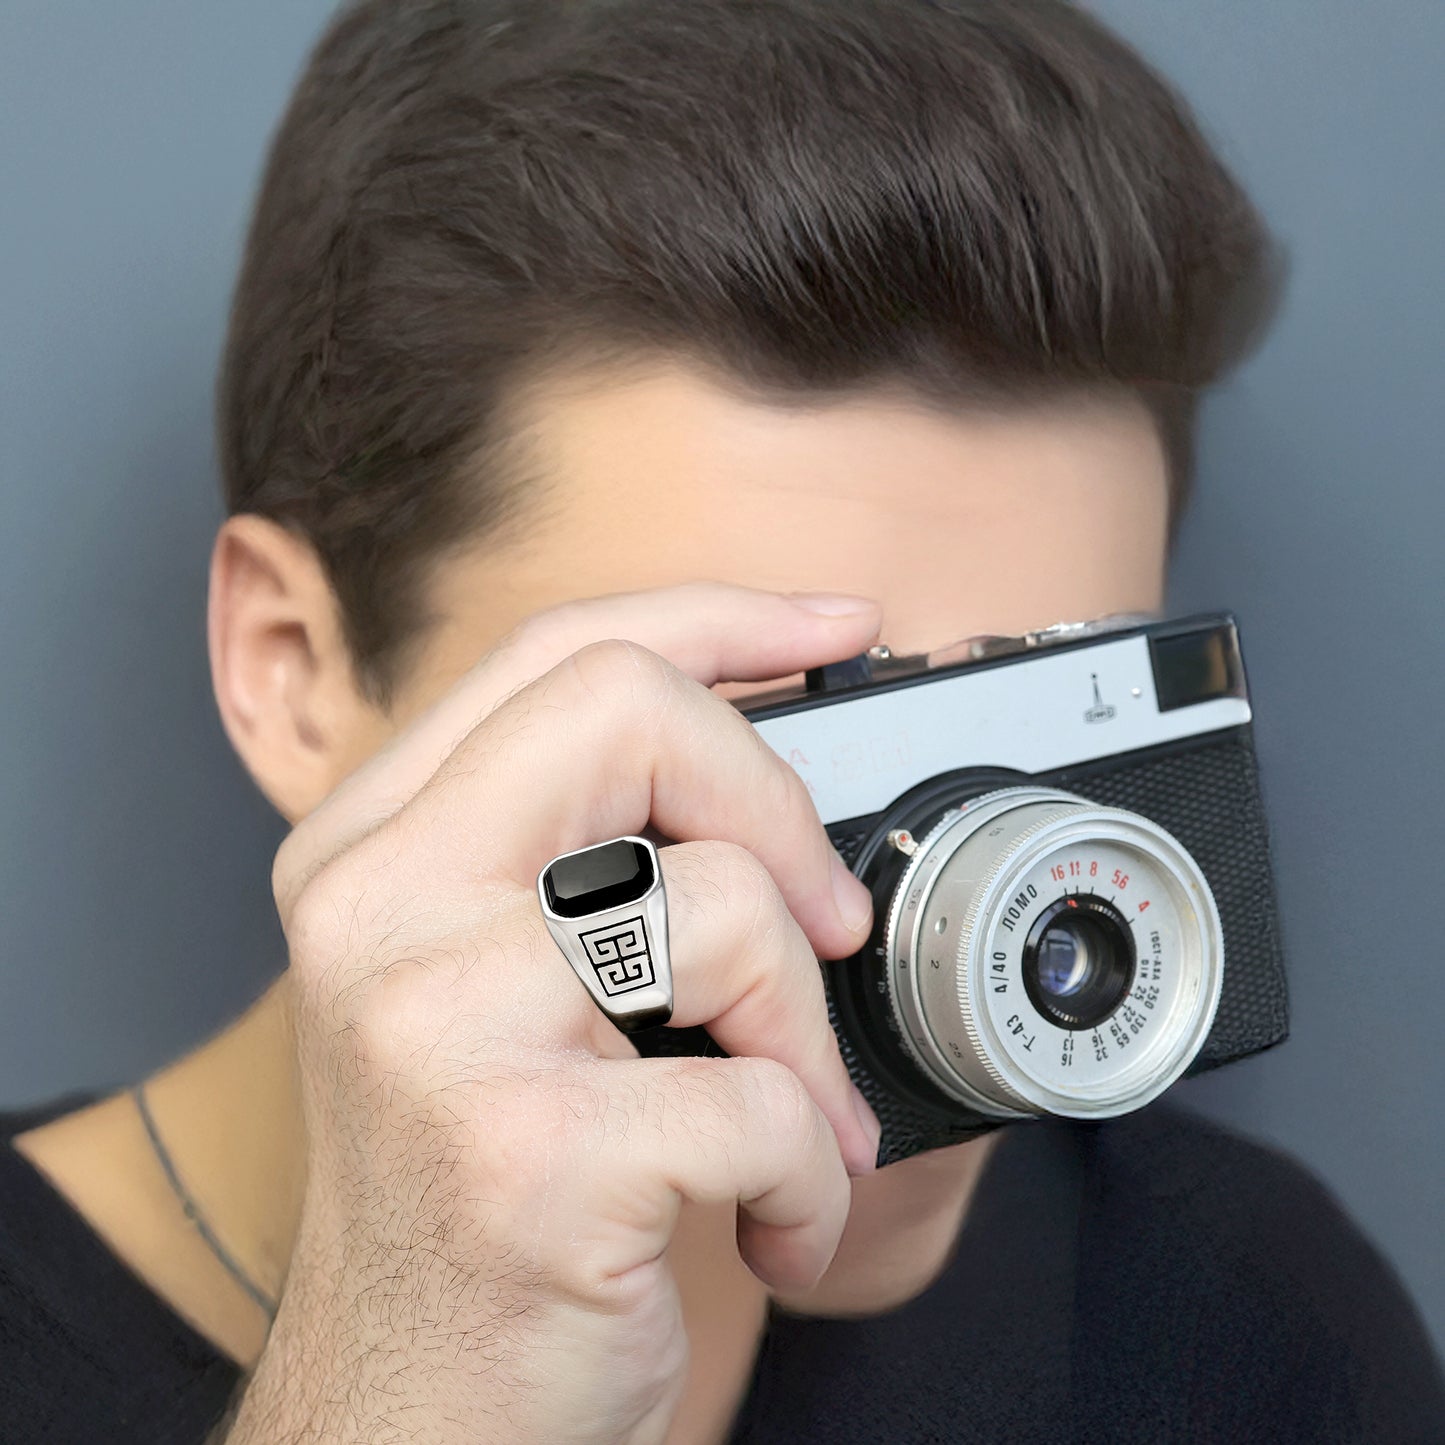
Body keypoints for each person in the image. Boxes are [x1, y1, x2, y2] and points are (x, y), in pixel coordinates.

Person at [3, 0, 1442, 1440]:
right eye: (759, 751)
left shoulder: (1247, 1320)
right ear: (293, 667)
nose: (950, 927)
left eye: (1033, 739)